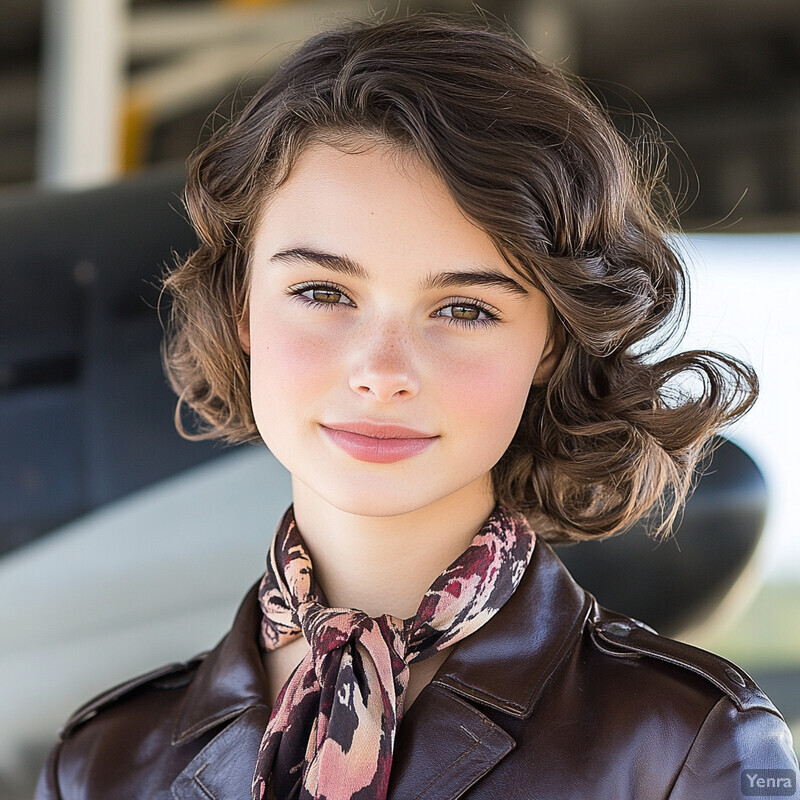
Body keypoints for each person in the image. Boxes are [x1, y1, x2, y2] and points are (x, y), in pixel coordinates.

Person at [35, 12, 798, 800]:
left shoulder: (684, 744)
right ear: (242, 311)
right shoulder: (99, 765)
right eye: (322, 292)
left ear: (550, 343)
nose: (381, 371)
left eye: (464, 309)